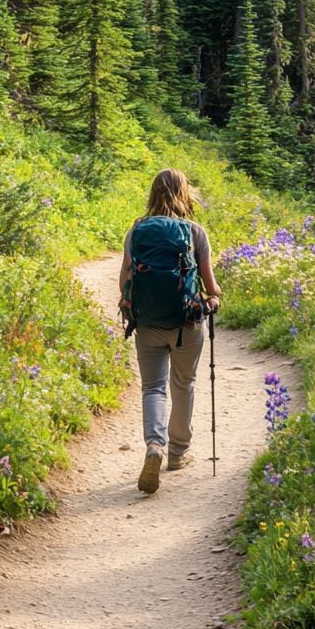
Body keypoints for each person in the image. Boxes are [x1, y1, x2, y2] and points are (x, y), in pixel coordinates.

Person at [118, 168, 222, 494]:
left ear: (153, 194)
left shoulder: (136, 231)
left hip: (147, 323)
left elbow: (125, 281)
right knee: (184, 383)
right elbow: (211, 285)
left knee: (153, 388)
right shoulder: (195, 232)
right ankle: (177, 454)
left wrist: (128, 307)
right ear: (185, 194)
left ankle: (154, 446)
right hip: (187, 324)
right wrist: (214, 300)